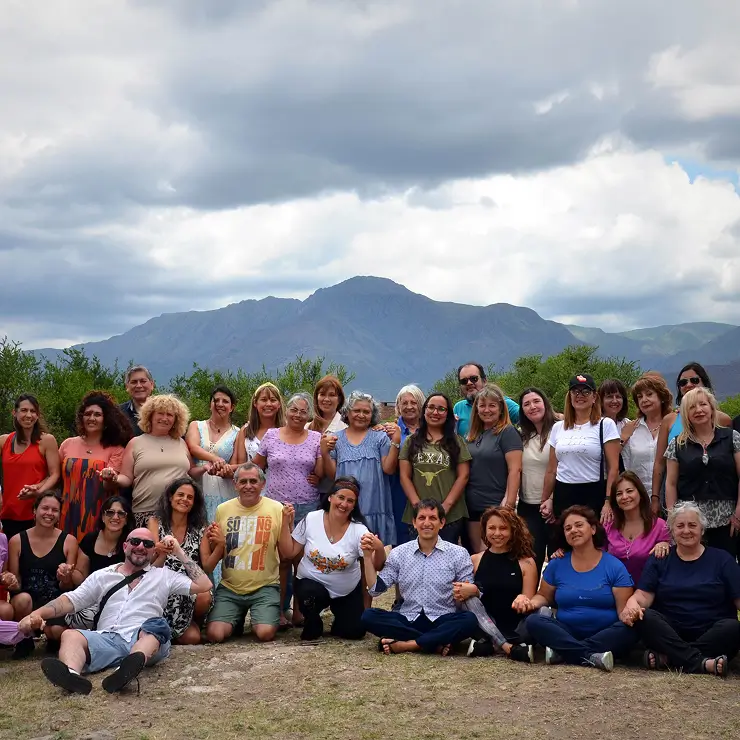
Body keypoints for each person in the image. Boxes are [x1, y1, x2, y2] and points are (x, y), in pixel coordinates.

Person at [24, 527, 212, 695]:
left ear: (154, 550)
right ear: (124, 546)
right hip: (108, 638)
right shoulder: (103, 575)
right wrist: (36, 614)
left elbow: (204, 585)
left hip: (144, 638)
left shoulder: (164, 576)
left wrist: (178, 551)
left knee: (157, 626)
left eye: (147, 544)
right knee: (70, 635)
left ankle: (126, 670)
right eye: (135, 541)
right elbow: (69, 601)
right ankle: (72, 675)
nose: (140, 547)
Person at [621, 502, 740, 676]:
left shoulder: (723, 559)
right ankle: (702, 663)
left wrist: (671, 651)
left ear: (702, 530)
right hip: (669, 632)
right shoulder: (660, 558)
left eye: (692, 525)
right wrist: (632, 603)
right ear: (672, 530)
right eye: (680, 526)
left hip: (712, 632)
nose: (686, 531)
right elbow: (643, 596)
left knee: (733, 627)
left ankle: (670, 658)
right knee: (646, 617)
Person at [522, 506, 636, 671]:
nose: (573, 530)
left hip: (605, 633)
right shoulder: (557, 564)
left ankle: (565, 651)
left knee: (631, 628)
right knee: (534, 621)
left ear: (593, 529)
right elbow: (544, 596)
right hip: (567, 631)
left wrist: (629, 616)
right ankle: (590, 656)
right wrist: (531, 603)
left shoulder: (614, 566)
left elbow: (623, 612)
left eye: (579, 525)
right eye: (568, 528)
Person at [361, 499, 478, 655]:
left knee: (469, 620)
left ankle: (408, 644)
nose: (427, 523)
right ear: (414, 522)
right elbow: (375, 590)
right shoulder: (399, 553)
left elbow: (467, 589)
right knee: (368, 616)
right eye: (422, 518)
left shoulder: (458, 553)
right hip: (408, 618)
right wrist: (367, 556)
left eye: (432, 518)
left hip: (442, 618)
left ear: (442, 523)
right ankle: (434, 642)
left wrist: (468, 589)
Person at [279, 477, 386, 641]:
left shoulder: (359, 530)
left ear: (354, 505)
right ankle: (313, 622)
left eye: (350, 501)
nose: (344, 504)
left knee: (354, 632)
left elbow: (377, 565)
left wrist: (378, 547)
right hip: (311, 585)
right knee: (309, 594)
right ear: (330, 497)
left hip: (346, 591)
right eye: (340, 497)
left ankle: (341, 620)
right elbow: (289, 552)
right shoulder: (311, 519)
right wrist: (285, 524)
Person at [254, 392, 323, 626]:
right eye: (294, 409)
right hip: (276, 506)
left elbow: (321, 471)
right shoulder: (271, 435)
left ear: (309, 415)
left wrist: (318, 475)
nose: (297, 415)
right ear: (286, 411)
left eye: (303, 411)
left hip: (307, 505)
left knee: (301, 562)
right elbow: (257, 467)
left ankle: (300, 610)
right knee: (281, 560)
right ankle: (280, 610)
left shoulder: (316, 438)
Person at [206, 463, 290, 644]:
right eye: (243, 482)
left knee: (264, 633)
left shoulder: (276, 508)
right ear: (235, 484)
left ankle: (259, 616)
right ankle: (235, 618)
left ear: (263, 484)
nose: (248, 486)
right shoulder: (222, 509)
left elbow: (286, 553)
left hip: (265, 586)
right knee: (215, 635)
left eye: (253, 481)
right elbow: (215, 550)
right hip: (230, 587)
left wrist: (286, 523)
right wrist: (218, 543)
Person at [102, 395, 205, 527]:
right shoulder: (135, 443)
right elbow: (126, 477)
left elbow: (191, 472)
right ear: (150, 415)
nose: (165, 418)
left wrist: (204, 468)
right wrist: (113, 478)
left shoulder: (181, 443)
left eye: (170, 415)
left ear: (176, 419)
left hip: (177, 514)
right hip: (145, 513)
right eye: (160, 413)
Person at [664, 387, 740, 557]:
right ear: (686, 414)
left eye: (703, 404)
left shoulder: (732, 437)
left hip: (728, 521)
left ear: (712, 408)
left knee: (725, 566)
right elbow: (671, 483)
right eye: (692, 407)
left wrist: (739, 513)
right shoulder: (677, 444)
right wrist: (672, 519)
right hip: (690, 524)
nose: (698, 410)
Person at [147, 478, 221, 644]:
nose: (185, 499)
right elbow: (149, 559)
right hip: (161, 585)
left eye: (190, 497)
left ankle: (194, 622)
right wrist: (158, 548)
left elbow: (207, 566)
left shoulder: (200, 528)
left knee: (203, 599)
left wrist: (220, 547)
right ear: (170, 497)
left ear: (194, 503)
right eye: (180, 495)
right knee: (190, 638)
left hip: (189, 587)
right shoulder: (155, 521)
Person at [459, 507, 538, 662]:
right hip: (485, 625)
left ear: (513, 531)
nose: (497, 533)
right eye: (492, 528)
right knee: (469, 601)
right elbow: (466, 597)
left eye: (503, 528)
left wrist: (523, 598)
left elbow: (528, 601)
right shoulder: (475, 560)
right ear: (485, 530)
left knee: (542, 612)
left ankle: (491, 646)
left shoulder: (526, 562)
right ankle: (507, 647)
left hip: (516, 628)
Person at [322, 391, 400, 547]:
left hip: (374, 505)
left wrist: (396, 442)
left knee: (374, 551)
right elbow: (333, 475)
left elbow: (389, 469)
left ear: (372, 414)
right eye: (356, 410)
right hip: (345, 506)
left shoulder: (380, 437)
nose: (361, 415)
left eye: (366, 412)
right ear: (347, 412)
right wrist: (324, 452)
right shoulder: (336, 439)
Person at [540, 374, 620, 525]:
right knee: (565, 536)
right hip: (563, 493)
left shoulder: (605, 425)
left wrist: (608, 501)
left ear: (594, 397)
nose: (580, 395)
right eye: (575, 391)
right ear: (569, 396)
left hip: (593, 493)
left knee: (593, 536)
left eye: (586, 391)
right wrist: (546, 499)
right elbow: (552, 470)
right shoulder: (558, 427)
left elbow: (613, 469)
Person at [5, 493, 78, 658]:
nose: (49, 513)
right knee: (22, 599)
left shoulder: (69, 541)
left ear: (59, 514)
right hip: (27, 602)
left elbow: (67, 587)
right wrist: (11, 581)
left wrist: (65, 577)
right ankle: (24, 640)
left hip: (54, 603)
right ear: (34, 510)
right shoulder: (17, 540)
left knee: (58, 632)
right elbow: (16, 585)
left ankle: (52, 637)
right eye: (45, 508)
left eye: (55, 510)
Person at [653, 363, 732, 510]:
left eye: (694, 380)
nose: (688, 385)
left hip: (719, 497)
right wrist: (655, 497)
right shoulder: (669, 420)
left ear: (704, 383)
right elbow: (659, 462)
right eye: (683, 382)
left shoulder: (723, 420)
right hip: (680, 494)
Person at [59, 391, 132, 540]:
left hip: (97, 514)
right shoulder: (67, 444)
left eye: (97, 415)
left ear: (106, 419)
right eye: (88, 414)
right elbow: (56, 478)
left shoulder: (116, 449)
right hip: (67, 512)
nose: (91, 418)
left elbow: (108, 486)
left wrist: (110, 478)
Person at [399, 394, 471, 544]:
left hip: (450, 515)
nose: (435, 412)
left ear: (448, 413)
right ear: (424, 410)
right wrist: (418, 507)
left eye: (441, 409)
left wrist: (445, 507)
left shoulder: (457, 442)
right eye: (431, 407)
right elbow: (404, 476)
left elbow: (463, 475)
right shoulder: (411, 441)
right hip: (418, 515)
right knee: (419, 554)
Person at [185, 385, 239, 579]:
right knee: (197, 537)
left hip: (224, 490)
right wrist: (215, 460)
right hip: (198, 486)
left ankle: (220, 585)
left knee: (220, 538)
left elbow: (236, 463)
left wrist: (224, 469)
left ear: (232, 407)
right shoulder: (196, 425)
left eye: (226, 401)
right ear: (210, 404)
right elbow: (192, 447)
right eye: (216, 400)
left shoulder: (237, 433)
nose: (220, 404)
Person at [465, 384, 523, 552]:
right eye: (482, 405)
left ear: (501, 408)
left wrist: (508, 505)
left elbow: (515, 470)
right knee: (476, 556)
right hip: (472, 506)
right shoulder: (472, 436)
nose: (487, 410)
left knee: (491, 554)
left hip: (495, 505)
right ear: (476, 409)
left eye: (492, 405)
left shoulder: (507, 432)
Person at [0, 394, 61, 540]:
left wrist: (38, 490)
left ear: (37, 415)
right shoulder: (4, 441)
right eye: (24, 410)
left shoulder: (46, 440)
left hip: (37, 513)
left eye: (33, 411)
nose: (28, 415)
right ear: (14, 413)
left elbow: (55, 474)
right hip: (8, 512)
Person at [518, 387, 558, 574]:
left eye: (536, 401)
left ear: (545, 403)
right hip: (527, 506)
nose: (532, 407)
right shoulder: (521, 435)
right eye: (526, 404)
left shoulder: (560, 430)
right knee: (531, 559)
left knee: (558, 557)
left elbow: (567, 468)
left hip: (554, 505)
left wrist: (552, 499)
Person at [604, 472, 671, 584]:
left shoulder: (659, 526)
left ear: (640, 493)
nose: (624, 497)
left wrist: (665, 545)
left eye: (629, 491)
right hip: (614, 588)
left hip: (649, 589)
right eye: (619, 493)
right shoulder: (608, 526)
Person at [620, 373, 673, 507]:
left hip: (670, 497)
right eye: (640, 397)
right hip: (638, 499)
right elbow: (626, 467)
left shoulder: (673, 426)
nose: (644, 400)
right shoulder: (631, 428)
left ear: (662, 397)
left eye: (649, 394)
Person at [389, 384, 426, 548]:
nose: (409, 406)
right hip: (400, 494)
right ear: (398, 406)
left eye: (414, 402)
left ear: (421, 404)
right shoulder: (390, 431)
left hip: (428, 490)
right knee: (403, 542)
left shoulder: (432, 429)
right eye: (404, 403)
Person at [453, 363, 520, 437]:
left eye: (474, 379)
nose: (469, 383)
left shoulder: (502, 403)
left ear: (484, 381)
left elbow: (527, 417)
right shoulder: (458, 408)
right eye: (464, 381)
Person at [234, 382, 285, 464]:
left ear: (279, 404)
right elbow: (241, 465)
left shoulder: (288, 429)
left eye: (273, 400)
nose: (268, 404)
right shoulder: (245, 431)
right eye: (264, 400)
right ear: (255, 403)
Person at [119, 365, 155, 437]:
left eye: (143, 381)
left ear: (152, 385)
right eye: (134, 382)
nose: (139, 386)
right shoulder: (118, 413)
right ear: (127, 387)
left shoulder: (164, 411)